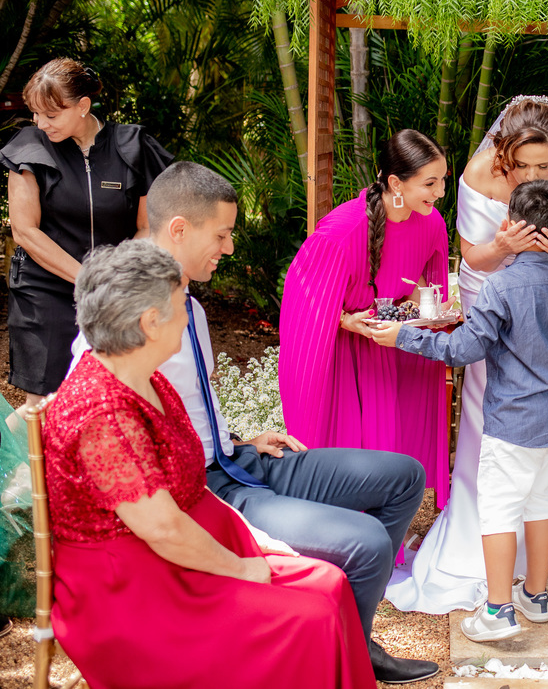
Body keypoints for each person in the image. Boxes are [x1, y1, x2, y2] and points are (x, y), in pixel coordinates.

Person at [69, 162, 437, 684]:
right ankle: (346, 654)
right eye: (221, 234)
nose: (230, 247)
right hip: (203, 486)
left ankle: (355, 634)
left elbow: (196, 398)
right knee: (368, 543)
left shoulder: (187, 309)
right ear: (179, 229)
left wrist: (239, 437)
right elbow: (109, 435)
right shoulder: (117, 330)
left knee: (404, 475)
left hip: (238, 458)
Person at [40, 240, 376, 689]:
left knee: (330, 584)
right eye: (180, 305)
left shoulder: (149, 378)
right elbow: (161, 528)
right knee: (310, 616)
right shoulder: (102, 413)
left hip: (183, 549)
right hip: (130, 589)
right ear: (149, 323)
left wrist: (255, 540)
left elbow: (190, 492)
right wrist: (241, 567)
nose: (190, 316)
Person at [386, 95, 548, 614]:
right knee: (493, 416)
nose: (532, 174)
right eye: (522, 165)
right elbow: (472, 254)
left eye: (544, 167)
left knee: (530, 432)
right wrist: (505, 247)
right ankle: (497, 546)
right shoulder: (481, 173)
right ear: (503, 154)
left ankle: (525, 566)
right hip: (493, 296)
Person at [279, 130, 451, 506]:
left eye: (442, 181)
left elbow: (421, 283)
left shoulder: (431, 222)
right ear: (395, 182)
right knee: (354, 454)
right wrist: (345, 321)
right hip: (345, 353)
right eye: (430, 183)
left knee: (399, 446)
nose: (439, 192)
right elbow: (303, 295)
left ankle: (395, 526)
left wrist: (426, 302)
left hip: (396, 344)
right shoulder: (343, 229)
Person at [2, 58, 171, 404]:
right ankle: (25, 460)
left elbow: (146, 227)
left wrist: (116, 278)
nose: (40, 123)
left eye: (51, 115)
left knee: (117, 395)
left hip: (115, 290)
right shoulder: (29, 148)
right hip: (44, 288)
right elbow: (25, 232)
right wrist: (88, 277)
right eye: (35, 113)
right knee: (47, 403)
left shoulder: (133, 147)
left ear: (83, 106)